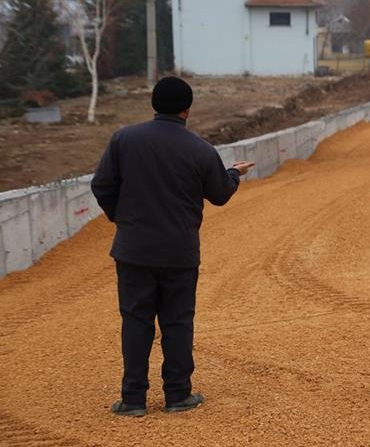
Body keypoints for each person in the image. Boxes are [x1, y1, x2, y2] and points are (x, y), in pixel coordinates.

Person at [91, 76, 255, 417]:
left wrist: (122, 218)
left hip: (133, 250)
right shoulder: (200, 149)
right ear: (187, 109)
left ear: (154, 104)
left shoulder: (123, 139)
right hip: (179, 253)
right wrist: (234, 174)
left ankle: (133, 399)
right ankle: (178, 395)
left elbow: (102, 185)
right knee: (177, 322)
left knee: (136, 321)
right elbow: (220, 194)